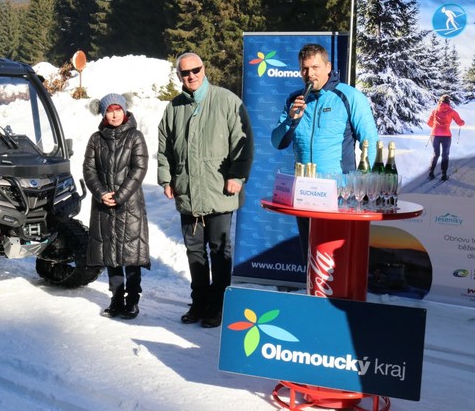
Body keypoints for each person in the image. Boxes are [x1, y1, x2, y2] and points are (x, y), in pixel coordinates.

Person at [157, 52, 253, 328]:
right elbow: (164, 148)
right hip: (188, 191)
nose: (191, 76)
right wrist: (166, 179)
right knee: (194, 251)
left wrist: (237, 176)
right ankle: (199, 302)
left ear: (204, 68)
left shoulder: (226, 100)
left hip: (219, 191)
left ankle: (218, 306)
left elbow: (244, 142)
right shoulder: (173, 108)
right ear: (179, 76)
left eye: (196, 70)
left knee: (220, 250)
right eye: (185, 73)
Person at [271, 43, 378, 262]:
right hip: (304, 192)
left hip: (338, 194)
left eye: (315, 67)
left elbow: (370, 142)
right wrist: (291, 120)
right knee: (310, 257)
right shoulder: (295, 100)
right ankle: (313, 294)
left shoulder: (349, 96)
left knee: (335, 260)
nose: (309, 74)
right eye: (304, 69)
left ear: (328, 67)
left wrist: (365, 186)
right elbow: (277, 142)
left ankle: (336, 297)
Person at [83, 93, 150, 320]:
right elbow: (88, 170)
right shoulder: (96, 139)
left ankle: (132, 300)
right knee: (111, 254)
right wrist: (101, 193)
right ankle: (116, 297)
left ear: (125, 111)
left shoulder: (135, 136)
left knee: (130, 254)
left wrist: (120, 195)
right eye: (109, 111)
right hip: (104, 205)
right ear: (103, 114)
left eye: (117, 109)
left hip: (129, 205)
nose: (114, 114)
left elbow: (139, 169)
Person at [427, 94, 465, 181]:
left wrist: (436, 126)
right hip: (446, 136)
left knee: (435, 154)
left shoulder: (435, 111)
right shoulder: (451, 111)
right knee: (445, 155)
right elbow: (460, 122)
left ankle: (431, 173)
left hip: (435, 135)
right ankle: (444, 175)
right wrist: (463, 122)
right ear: (448, 102)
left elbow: (429, 123)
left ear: (440, 101)